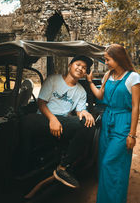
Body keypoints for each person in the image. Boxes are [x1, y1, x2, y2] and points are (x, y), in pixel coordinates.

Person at [86, 44, 140, 203]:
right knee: (103, 163)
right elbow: (100, 96)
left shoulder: (133, 78)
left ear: (118, 58)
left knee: (110, 163)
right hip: (107, 121)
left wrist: (132, 134)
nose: (106, 62)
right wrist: (90, 82)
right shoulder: (107, 76)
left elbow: (136, 107)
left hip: (123, 121)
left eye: (107, 59)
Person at [34, 55, 96, 188]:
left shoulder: (81, 91)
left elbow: (79, 112)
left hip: (63, 122)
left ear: (85, 73)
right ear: (70, 65)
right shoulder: (53, 80)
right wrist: (52, 119)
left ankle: (63, 167)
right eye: (78, 64)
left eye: (84, 68)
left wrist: (84, 113)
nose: (80, 69)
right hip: (44, 119)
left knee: (88, 124)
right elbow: (41, 103)